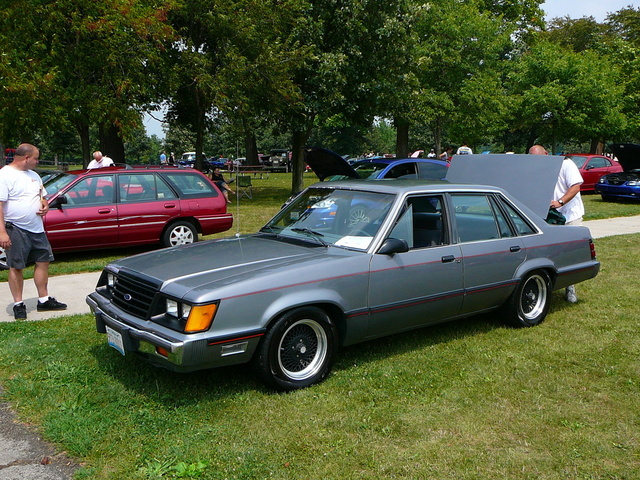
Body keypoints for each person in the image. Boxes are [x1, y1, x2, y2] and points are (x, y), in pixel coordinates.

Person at [0, 143, 67, 319]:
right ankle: (18, 304)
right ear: (26, 158)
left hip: (37, 228)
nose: (38, 161)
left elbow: (41, 196)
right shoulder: (5, 175)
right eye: (36, 158)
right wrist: (2, 233)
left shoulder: (34, 175)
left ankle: (44, 300)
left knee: (43, 261)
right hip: (15, 228)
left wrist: (44, 204)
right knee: (16, 267)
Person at [529, 144, 584, 303]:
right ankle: (546, 287)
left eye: (539, 159)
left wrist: (560, 202)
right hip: (550, 217)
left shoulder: (566, 164)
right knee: (550, 253)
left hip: (570, 215)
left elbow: (576, 186)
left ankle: (570, 288)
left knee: (569, 252)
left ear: (547, 153)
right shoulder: (536, 170)